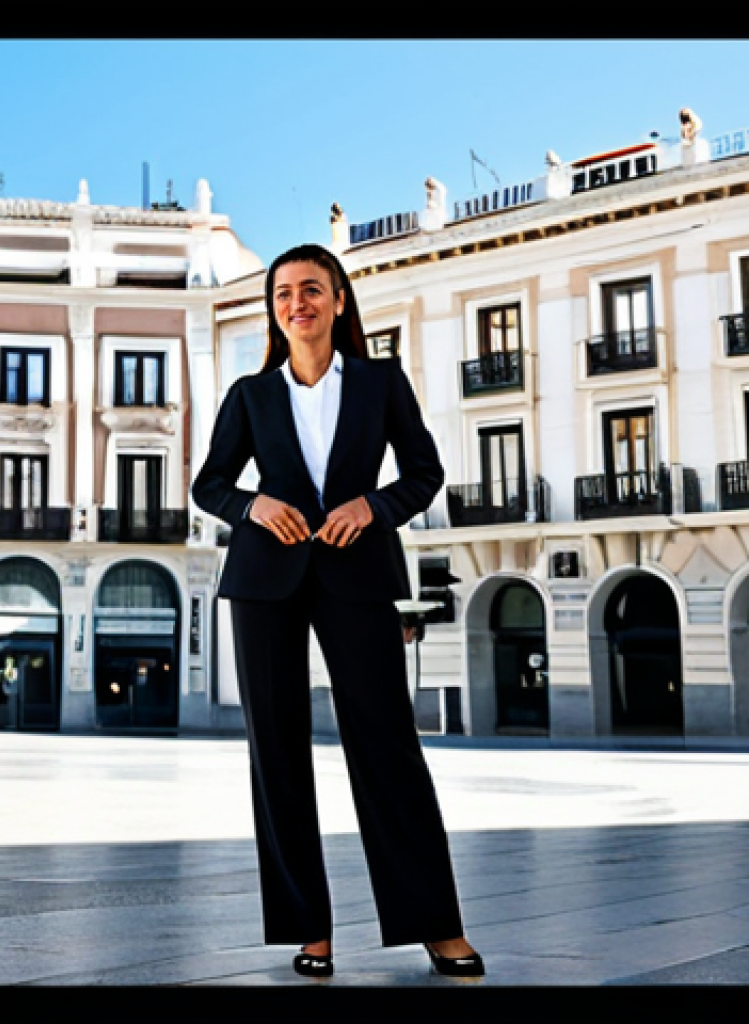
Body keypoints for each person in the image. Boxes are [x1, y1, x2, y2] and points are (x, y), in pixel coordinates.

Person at [191, 243, 483, 980]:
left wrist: (373, 506)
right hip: (263, 583)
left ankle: (437, 925)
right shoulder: (250, 396)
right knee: (277, 754)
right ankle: (307, 929)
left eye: (312, 290)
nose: (298, 303)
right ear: (273, 308)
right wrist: (254, 504)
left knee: (388, 747)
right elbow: (210, 485)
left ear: (339, 300)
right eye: (284, 292)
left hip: (357, 575)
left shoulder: (382, 383)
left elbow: (423, 474)